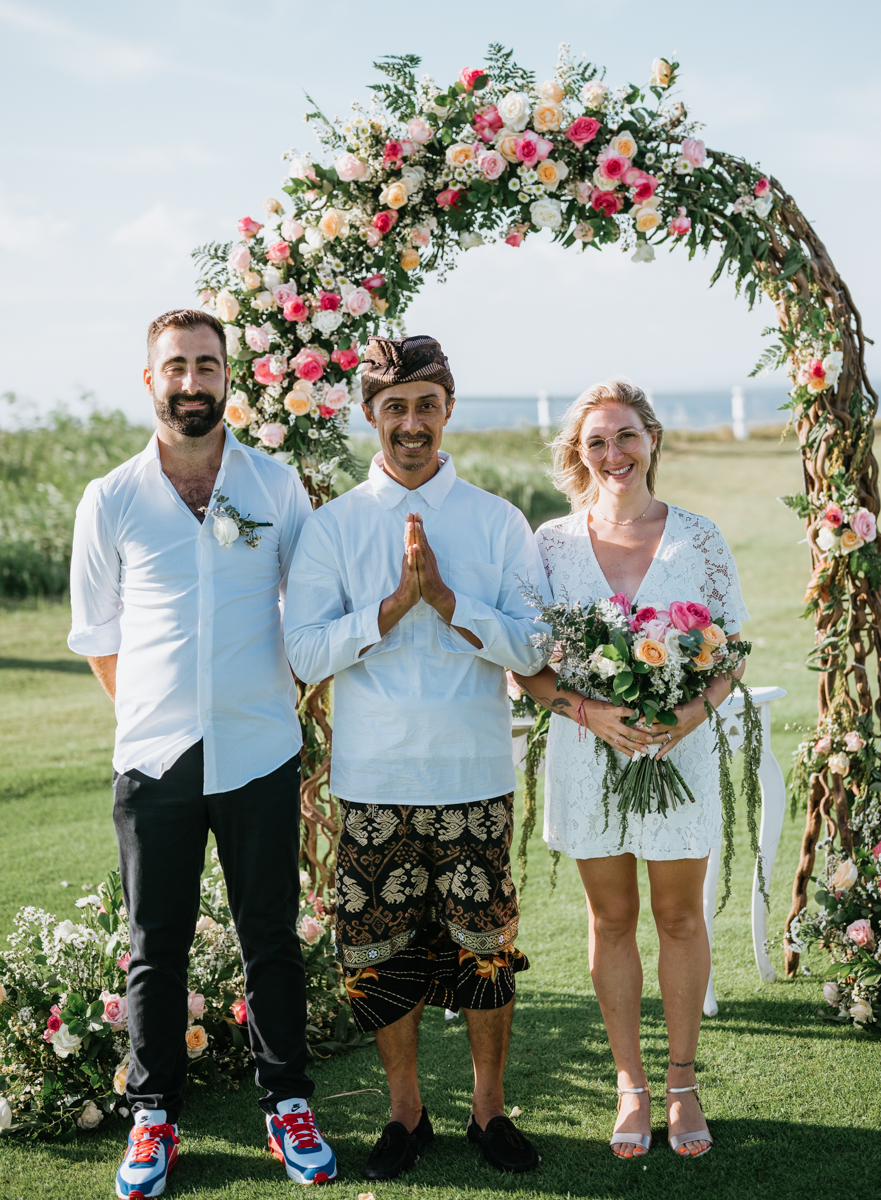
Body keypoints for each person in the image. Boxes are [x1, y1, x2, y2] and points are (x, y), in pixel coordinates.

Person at [67, 309, 336, 1197]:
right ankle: (153, 1118)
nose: (192, 381)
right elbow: (99, 636)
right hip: (155, 761)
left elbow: (309, 615)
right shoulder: (111, 498)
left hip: (259, 750)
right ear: (151, 379)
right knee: (155, 946)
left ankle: (287, 1105)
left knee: (272, 938)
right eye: (176, 366)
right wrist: (156, 717)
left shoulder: (275, 487)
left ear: (229, 376)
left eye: (207, 365)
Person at [283, 335, 549, 1181]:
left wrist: (450, 601)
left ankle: (488, 1111)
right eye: (394, 407)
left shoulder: (497, 520)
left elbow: (536, 646)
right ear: (370, 414)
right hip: (374, 778)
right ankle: (406, 1114)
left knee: (485, 952)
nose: (410, 423)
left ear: (449, 410)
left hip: (473, 771)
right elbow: (303, 651)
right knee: (379, 953)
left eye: (426, 405)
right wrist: (394, 607)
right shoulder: (332, 527)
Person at [513, 378, 749, 1161]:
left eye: (625, 436)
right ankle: (630, 1084)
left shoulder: (699, 538)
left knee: (679, 918)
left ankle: (682, 1084)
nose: (613, 453)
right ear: (578, 454)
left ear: (651, 439)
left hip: (681, 753)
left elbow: (732, 653)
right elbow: (524, 667)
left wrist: (689, 715)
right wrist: (589, 713)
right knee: (610, 919)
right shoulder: (550, 545)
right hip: (589, 756)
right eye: (596, 441)